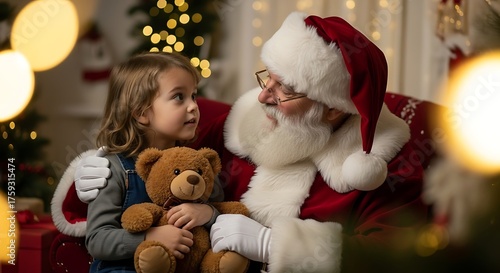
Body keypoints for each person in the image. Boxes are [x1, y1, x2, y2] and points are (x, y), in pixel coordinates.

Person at [72, 12, 430, 272]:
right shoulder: (237, 127)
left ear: (333, 110)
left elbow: (397, 256)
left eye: (285, 90)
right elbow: (163, 170)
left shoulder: (385, 165)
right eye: (267, 80)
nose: (263, 98)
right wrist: (95, 166)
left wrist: (275, 246)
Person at [83, 52, 224, 273]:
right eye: (179, 97)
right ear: (141, 113)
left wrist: (206, 214)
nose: (193, 106)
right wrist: (148, 237)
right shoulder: (113, 169)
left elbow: (221, 207)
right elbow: (97, 240)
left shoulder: (195, 164)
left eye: (193, 96)